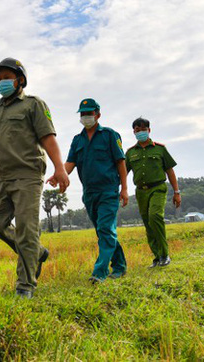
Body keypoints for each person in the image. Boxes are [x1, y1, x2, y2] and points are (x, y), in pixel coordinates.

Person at [0, 58, 70, 299]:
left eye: (7, 77)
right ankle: (36, 251)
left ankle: (25, 285)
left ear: (20, 80)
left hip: (27, 174)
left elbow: (48, 137)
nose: (2, 82)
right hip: (1, 176)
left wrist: (60, 168)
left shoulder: (33, 105)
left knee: (27, 229)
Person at [61, 98, 128, 283]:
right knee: (103, 231)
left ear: (98, 114)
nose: (86, 117)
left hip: (108, 190)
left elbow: (120, 162)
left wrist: (124, 188)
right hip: (89, 193)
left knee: (105, 229)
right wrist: (59, 175)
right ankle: (120, 266)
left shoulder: (110, 135)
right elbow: (70, 163)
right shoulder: (77, 140)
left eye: (89, 113)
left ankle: (100, 272)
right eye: (83, 114)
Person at [125, 117, 180, 268]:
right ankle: (157, 257)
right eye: (137, 130)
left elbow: (170, 170)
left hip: (158, 188)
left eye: (143, 130)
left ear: (149, 130)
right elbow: (122, 173)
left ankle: (164, 254)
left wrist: (177, 192)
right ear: (133, 132)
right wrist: (121, 189)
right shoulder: (130, 153)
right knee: (148, 224)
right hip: (141, 192)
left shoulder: (160, 149)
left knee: (155, 216)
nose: (141, 132)